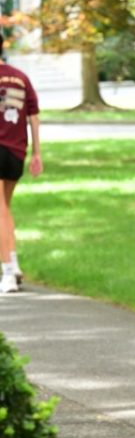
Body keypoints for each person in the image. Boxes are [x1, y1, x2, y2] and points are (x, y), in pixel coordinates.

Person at [0, 33, 42, 294]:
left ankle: (7, 273)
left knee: (0, 211)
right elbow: (33, 116)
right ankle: (13, 263)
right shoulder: (20, 77)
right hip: (17, 152)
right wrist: (37, 153)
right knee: (4, 208)